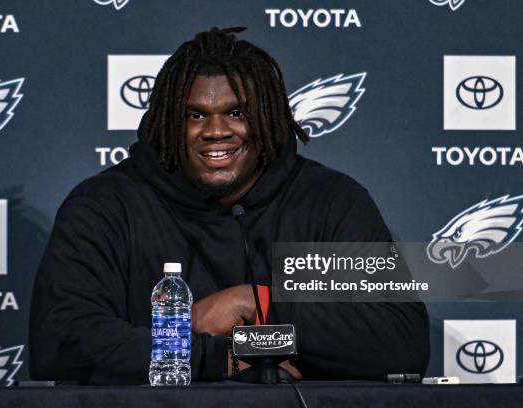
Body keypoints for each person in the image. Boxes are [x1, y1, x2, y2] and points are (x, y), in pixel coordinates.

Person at [29, 27, 430, 385]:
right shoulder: (107, 205)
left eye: (236, 113)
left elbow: (399, 340)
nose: (216, 131)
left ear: (267, 120)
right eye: (195, 115)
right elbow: (62, 343)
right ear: (169, 122)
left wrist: (255, 306)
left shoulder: (326, 200)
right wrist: (219, 357)